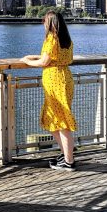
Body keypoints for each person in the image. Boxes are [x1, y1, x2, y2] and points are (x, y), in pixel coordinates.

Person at [22, 10, 77, 171]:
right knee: (57, 119)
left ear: (51, 23)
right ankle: (66, 155)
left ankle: (69, 161)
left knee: (61, 122)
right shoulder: (66, 39)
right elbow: (61, 58)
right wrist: (34, 56)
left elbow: (44, 62)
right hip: (65, 78)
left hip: (55, 81)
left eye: (44, 21)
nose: (43, 24)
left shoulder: (51, 38)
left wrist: (26, 61)